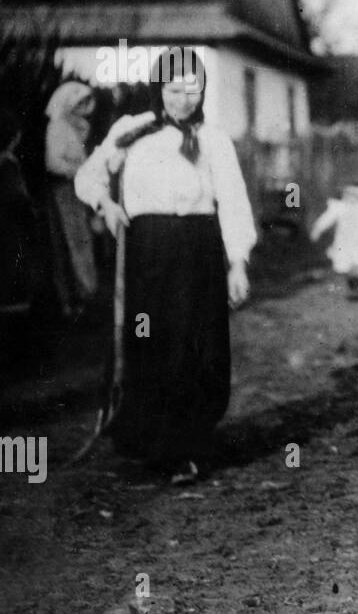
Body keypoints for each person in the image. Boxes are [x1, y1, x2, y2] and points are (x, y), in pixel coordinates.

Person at [75, 47, 255, 485]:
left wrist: (238, 263)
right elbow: (88, 176)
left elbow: (232, 201)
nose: (183, 100)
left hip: (200, 249)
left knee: (200, 347)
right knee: (153, 343)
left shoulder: (213, 140)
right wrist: (106, 204)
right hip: (148, 250)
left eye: (192, 91)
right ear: (159, 89)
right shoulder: (132, 131)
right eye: (174, 90)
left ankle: (190, 444)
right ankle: (153, 442)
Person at [44, 80, 99, 318]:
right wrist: (79, 170)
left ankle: (84, 293)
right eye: (79, 103)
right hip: (63, 191)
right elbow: (53, 163)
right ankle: (73, 299)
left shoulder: (73, 126)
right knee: (70, 242)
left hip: (75, 189)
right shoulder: (57, 127)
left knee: (81, 241)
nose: (84, 107)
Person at [311, 184, 358, 300]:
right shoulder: (339, 207)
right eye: (347, 194)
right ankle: (356, 287)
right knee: (346, 265)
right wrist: (317, 229)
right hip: (345, 241)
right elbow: (327, 218)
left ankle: (357, 290)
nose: (350, 197)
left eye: (354, 195)